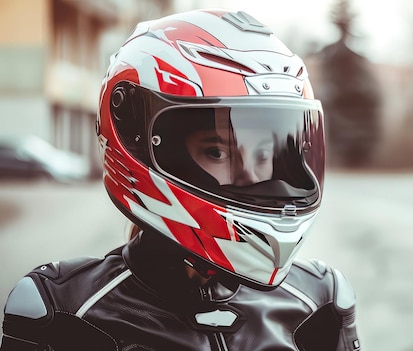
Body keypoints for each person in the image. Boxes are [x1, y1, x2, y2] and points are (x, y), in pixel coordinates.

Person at [1, 9, 360, 351]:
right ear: (142, 142)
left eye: (265, 154)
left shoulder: (320, 301)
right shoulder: (64, 310)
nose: (252, 176)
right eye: (218, 152)